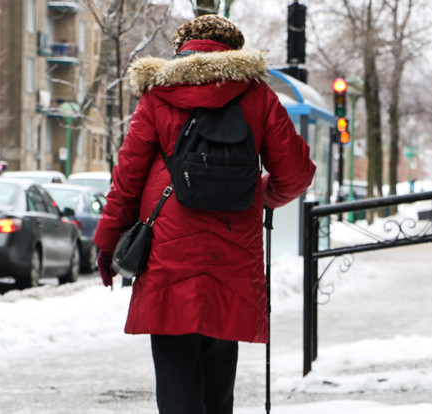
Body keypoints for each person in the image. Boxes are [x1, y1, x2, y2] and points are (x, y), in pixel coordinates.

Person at [92, 15, 316, 414]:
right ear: (234, 49)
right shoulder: (258, 96)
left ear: (183, 49)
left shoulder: (157, 96)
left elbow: (126, 178)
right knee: (218, 379)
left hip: (167, 254)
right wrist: (263, 195)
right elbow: (296, 174)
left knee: (176, 378)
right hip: (232, 252)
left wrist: (108, 242)